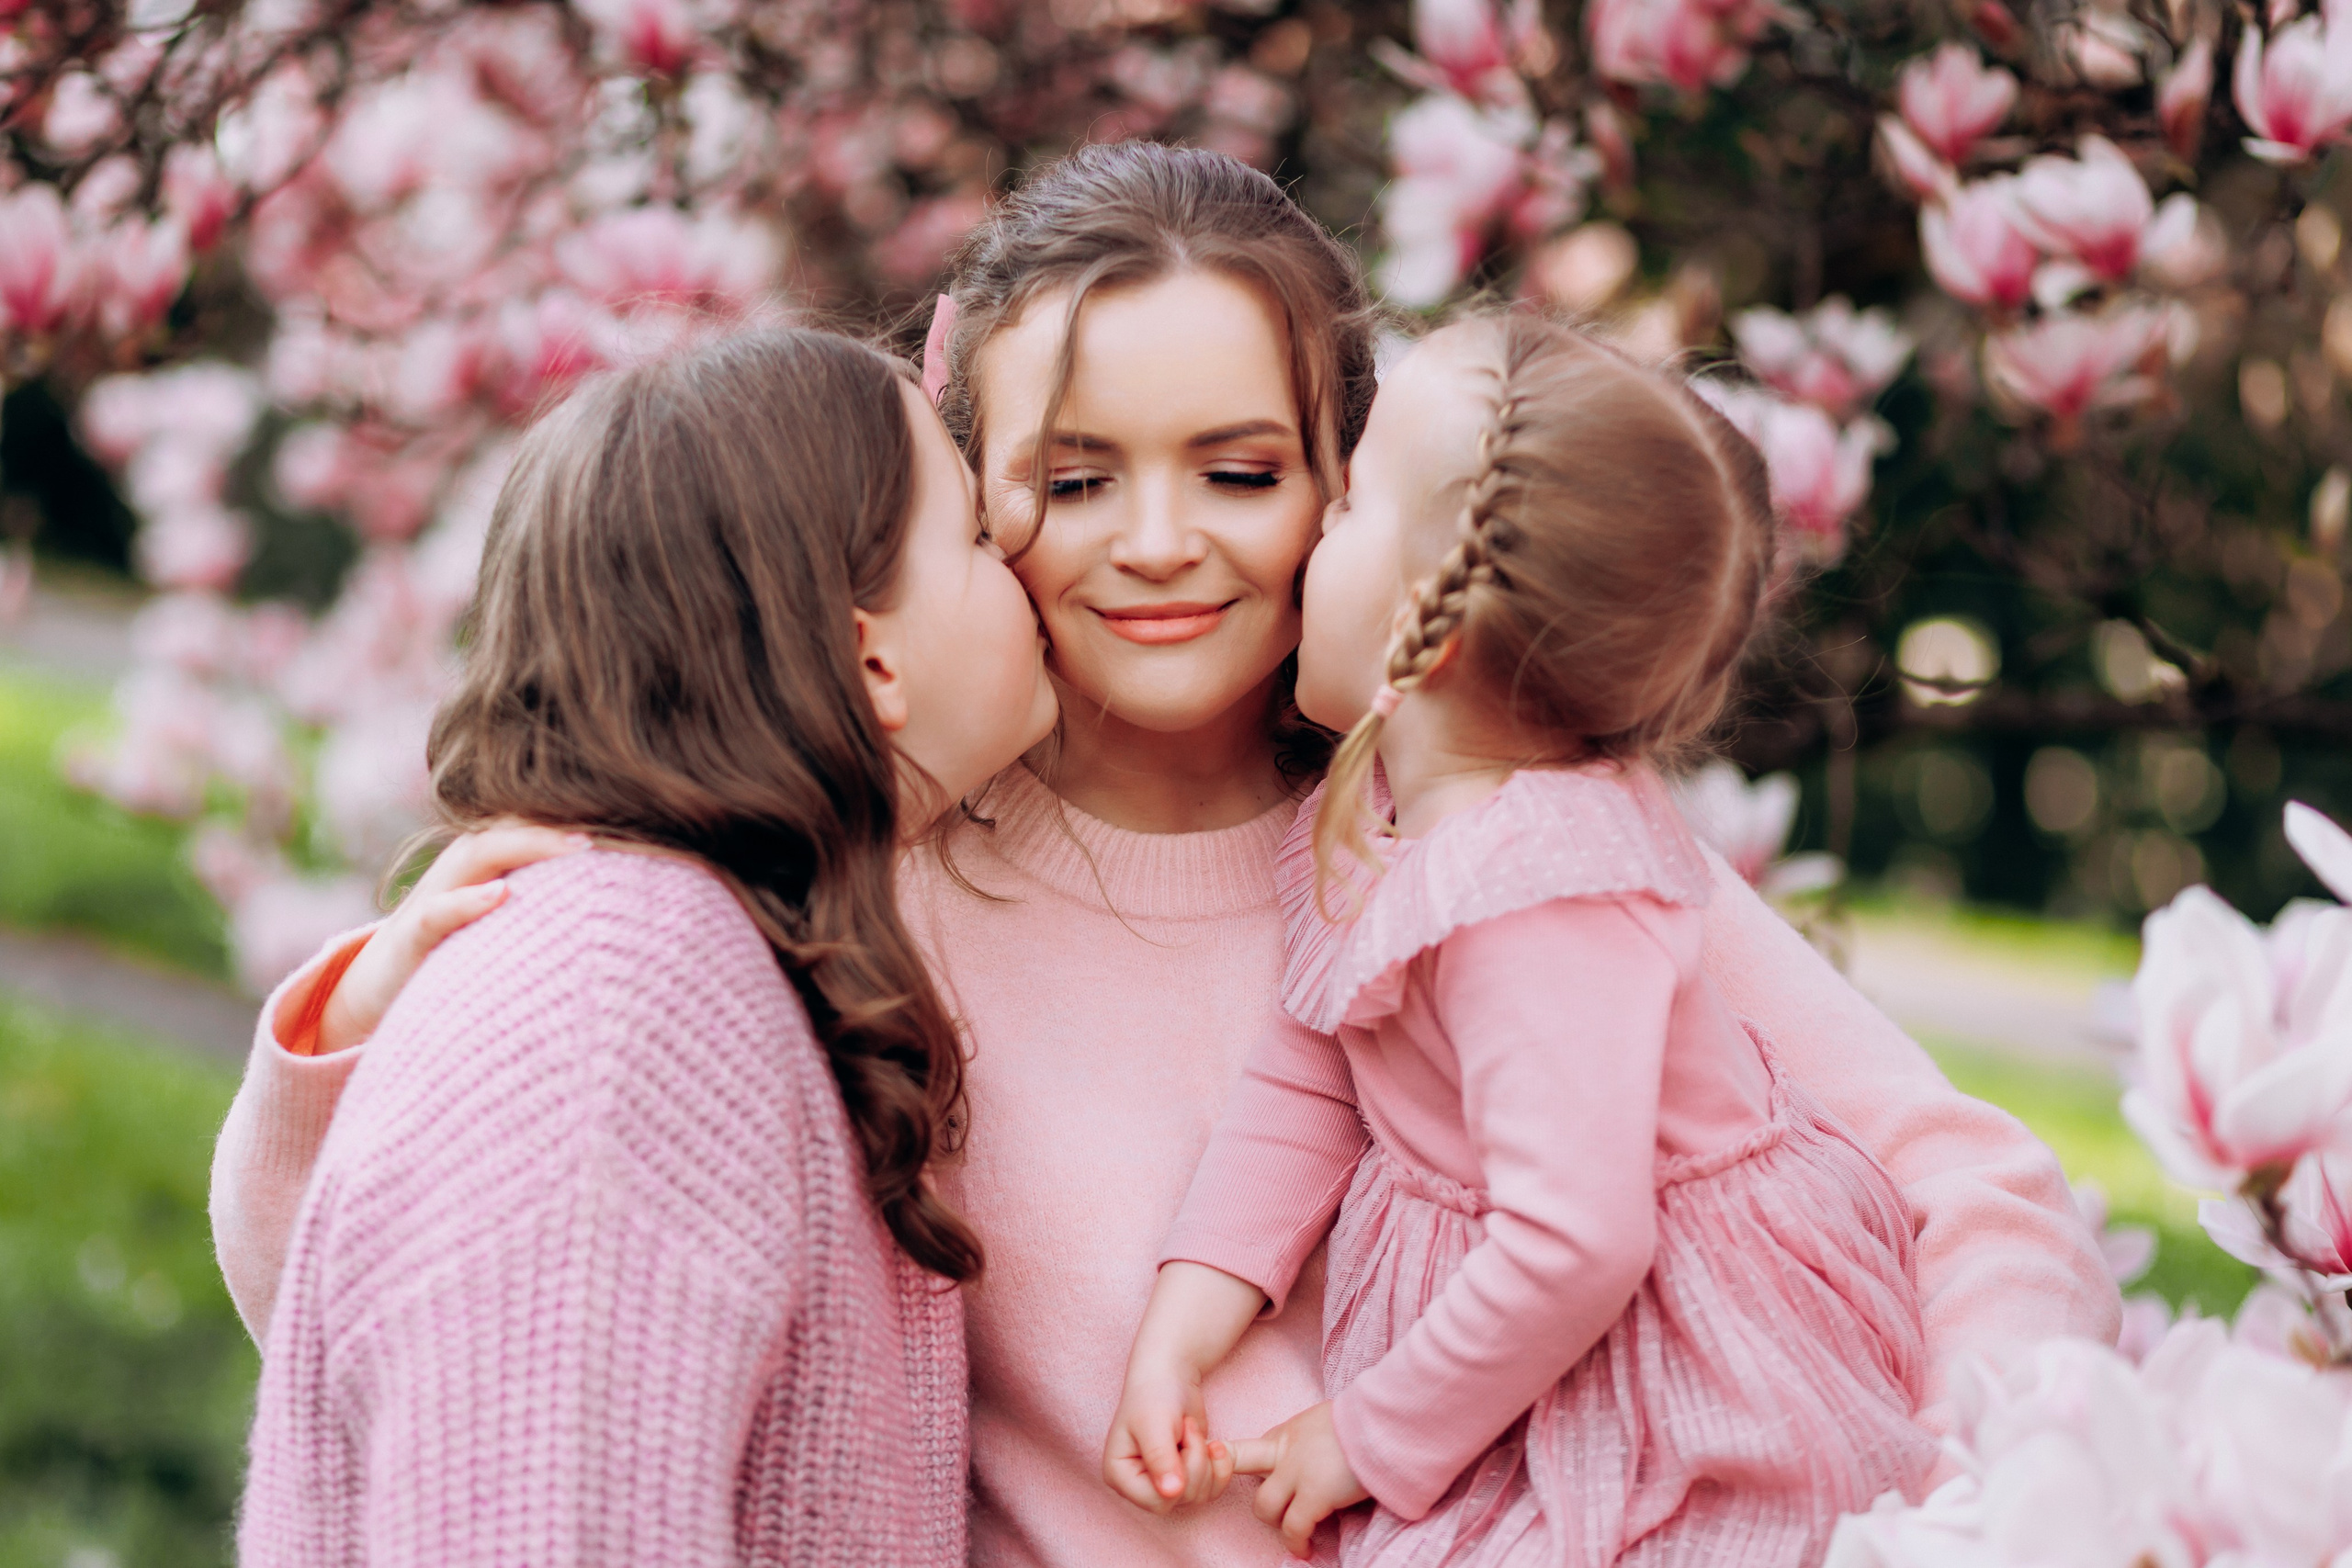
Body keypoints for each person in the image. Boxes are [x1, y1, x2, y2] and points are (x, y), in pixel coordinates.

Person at [211, 145, 2117, 1568]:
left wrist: (1984, 1502)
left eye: (1237, 469)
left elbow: (1964, 1180)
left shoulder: (1487, 833)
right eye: (1064, 479)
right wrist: (357, 1040)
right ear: (954, 502)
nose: (1155, 544)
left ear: (1357, 498)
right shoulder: (853, 889)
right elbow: (461, 1298)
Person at [1108, 315, 1936, 1565]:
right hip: (1521, 1343)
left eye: (1352, 506)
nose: (1314, 521)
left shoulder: (1538, 885)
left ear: (1430, 628)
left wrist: (1367, 1435)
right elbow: (1307, 1086)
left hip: (1666, 1363)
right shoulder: (1379, 821)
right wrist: (1181, 1332)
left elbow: (1579, 1242)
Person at [230, 328, 1057, 1566]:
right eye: (979, 540)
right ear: (870, 654)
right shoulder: (623, 1003)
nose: (1029, 557)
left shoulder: (733, 966)